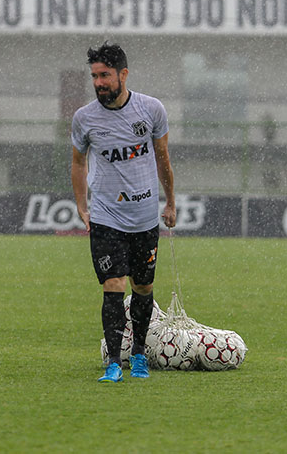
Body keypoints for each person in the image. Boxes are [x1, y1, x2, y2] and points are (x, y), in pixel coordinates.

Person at [71, 41, 176, 383]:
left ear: (123, 74)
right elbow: (77, 162)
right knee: (113, 285)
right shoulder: (84, 118)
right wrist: (82, 206)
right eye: (94, 76)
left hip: (145, 217)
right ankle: (115, 362)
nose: (99, 82)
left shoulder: (151, 110)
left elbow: (163, 159)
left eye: (105, 75)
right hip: (106, 217)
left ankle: (140, 355)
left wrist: (170, 202)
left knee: (142, 288)